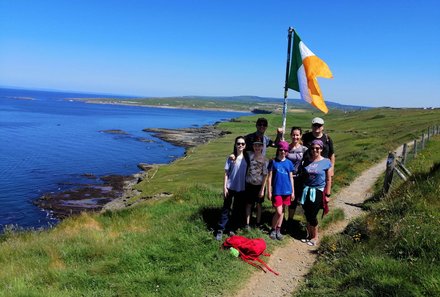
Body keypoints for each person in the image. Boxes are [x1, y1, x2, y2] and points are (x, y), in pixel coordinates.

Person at [299, 139, 332, 246]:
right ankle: (308, 235)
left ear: (321, 149)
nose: (315, 150)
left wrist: (327, 194)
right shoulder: (308, 161)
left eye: (317, 148)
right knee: (307, 212)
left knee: (313, 214)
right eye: (313, 148)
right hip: (306, 190)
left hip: (318, 190)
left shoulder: (326, 162)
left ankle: (315, 236)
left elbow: (328, 179)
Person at [215, 136, 248, 241]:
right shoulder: (230, 158)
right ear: (235, 145)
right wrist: (224, 187)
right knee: (226, 209)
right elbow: (226, 173)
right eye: (238, 143)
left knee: (237, 209)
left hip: (241, 188)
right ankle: (220, 230)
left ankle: (232, 228)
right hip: (230, 187)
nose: (240, 145)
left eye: (242, 144)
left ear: (245, 145)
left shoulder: (247, 158)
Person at [267, 141, 295, 240]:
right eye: (281, 150)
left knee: (283, 211)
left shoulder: (289, 163)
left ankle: (278, 230)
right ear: (278, 150)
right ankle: (273, 229)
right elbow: (269, 177)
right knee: (278, 212)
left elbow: (291, 178)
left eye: (285, 150)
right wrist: (269, 191)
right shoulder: (273, 162)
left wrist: (293, 192)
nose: (283, 152)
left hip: (287, 190)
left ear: (287, 151)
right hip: (277, 191)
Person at [244, 137, 268, 229]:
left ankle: (258, 223)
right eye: (255, 145)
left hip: (259, 186)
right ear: (253, 146)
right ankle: (247, 223)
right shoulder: (249, 155)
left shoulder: (265, 160)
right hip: (249, 184)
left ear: (262, 146)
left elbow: (265, 175)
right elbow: (238, 152)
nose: (257, 147)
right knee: (248, 204)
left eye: (259, 145)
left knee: (258, 204)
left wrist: (262, 190)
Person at [285, 127, 308, 222]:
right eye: (293, 135)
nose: (295, 137)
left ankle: (291, 220)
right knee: (287, 200)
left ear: (301, 136)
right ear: (291, 135)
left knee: (296, 200)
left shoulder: (305, 149)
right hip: (287, 178)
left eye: (297, 135)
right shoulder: (286, 148)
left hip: (299, 179)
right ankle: (283, 220)